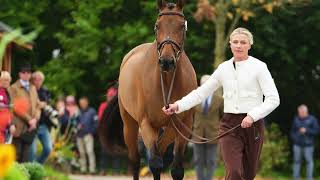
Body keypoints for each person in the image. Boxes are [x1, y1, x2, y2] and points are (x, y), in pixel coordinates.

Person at [163, 27, 280, 180]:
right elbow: (201, 92)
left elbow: (273, 99)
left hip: (253, 126)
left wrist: (252, 116)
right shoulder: (223, 68)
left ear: (249, 45)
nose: (239, 45)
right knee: (234, 172)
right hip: (229, 126)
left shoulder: (259, 67)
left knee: (248, 174)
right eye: (235, 42)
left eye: (243, 42)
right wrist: (178, 105)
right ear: (230, 44)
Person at [192, 75, 223, 180]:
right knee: (198, 161)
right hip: (197, 134)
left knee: (211, 161)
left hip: (213, 135)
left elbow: (223, 116)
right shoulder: (194, 99)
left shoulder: (219, 100)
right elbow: (191, 116)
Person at [9, 64, 41, 162]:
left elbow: (38, 105)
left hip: (31, 127)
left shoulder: (33, 88)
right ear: (19, 74)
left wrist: (35, 119)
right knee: (16, 154)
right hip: (19, 125)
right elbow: (15, 107)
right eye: (23, 72)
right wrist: (30, 120)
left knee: (26, 155)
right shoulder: (13, 88)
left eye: (28, 73)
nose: (26, 74)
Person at [29, 71, 53, 163]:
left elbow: (48, 102)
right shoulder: (29, 89)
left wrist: (43, 104)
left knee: (48, 149)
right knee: (32, 152)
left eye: (40, 80)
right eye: (36, 79)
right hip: (33, 124)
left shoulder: (45, 90)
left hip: (43, 124)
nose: (38, 82)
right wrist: (38, 104)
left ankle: (37, 166)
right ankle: (31, 171)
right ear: (33, 80)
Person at [290, 104, 319, 180]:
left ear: (306, 111)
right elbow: (292, 131)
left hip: (308, 145)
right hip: (297, 145)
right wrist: (294, 138)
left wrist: (306, 131)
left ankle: (309, 178)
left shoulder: (312, 119)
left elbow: (316, 131)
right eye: (299, 112)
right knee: (296, 162)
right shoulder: (296, 119)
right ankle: (296, 178)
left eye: (302, 112)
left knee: (309, 162)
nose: (301, 113)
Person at [76, 96, 98, 173]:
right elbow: (75, 122)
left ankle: (92, 169)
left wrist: (92, 132)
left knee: (90, 152)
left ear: (87, 102)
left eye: (83, 103)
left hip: (88, 135)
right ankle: (83, 169)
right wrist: (77, 125)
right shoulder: (78, 112)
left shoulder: (92, 111)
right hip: (79, 135)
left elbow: (96, 123)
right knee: (81, 153)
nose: (82, 104)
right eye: (81, 103)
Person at [0, 71, 15, 143]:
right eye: (6, 80)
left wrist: (11, 124)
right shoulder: (1, 92)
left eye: (9, 80)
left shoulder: (7, 92)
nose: (8, 82)